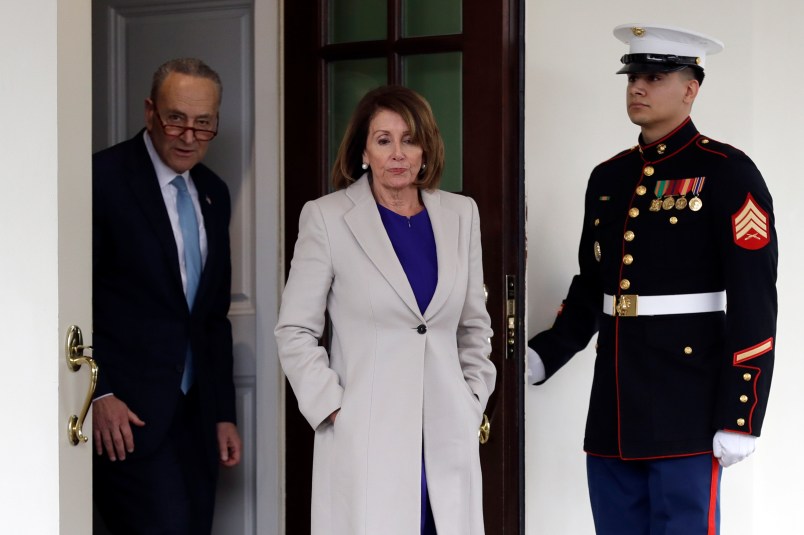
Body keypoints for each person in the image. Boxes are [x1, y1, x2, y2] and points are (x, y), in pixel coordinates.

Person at [527, 24, 777, 534]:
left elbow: (754, 301)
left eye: (655, 77)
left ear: (690, 88)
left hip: (690, 405)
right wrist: (543, 353)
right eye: (633, 76)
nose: (637, 87)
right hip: (614, 406)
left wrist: (741, 413)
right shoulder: (609, 177)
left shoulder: (728, 171)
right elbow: (593, 287)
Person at [275, 85, 496, 535]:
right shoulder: (326, 218)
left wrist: (472, 398)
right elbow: (294, 329)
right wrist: (335, 407)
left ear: (426, 149)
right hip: (366, 434)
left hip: (446, 433)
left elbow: (474, 325)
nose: (398, 153)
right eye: (383, 140)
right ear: (363, 151)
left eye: (409, 139)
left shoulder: (461, 214)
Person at [92, 57, 242, 534]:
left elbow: (212, 317)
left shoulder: (213, 192)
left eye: (204, 124)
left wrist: (222, 413)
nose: (189, 136)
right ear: (150, 112)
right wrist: (99, 391)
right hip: (128, 417)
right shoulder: (101, 179)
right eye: (177, 118)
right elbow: (76, 296)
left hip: (195, 420)